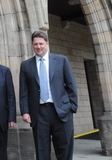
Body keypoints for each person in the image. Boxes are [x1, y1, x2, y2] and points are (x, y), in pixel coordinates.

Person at [19, 31, 78, 160]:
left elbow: (71, 85)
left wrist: (71, 107)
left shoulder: (61, 60)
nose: (38, 47)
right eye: (35, 44)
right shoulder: (25, 65)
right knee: (42, 151)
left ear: (47, 44)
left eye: (41, 43)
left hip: (61, 112)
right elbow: (24, 92)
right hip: (39, 113)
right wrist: (25, 111)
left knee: (65, 150)